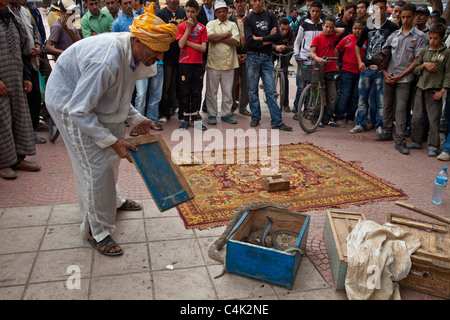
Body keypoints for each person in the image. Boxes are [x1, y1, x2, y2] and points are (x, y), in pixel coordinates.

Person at [45, 6, 176, 256]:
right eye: (155, 52)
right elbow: (79, 110)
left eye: (162, 53)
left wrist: (136, 119)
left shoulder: (130, 52)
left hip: (87, 102)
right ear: (138, 41)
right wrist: (111, 141)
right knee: (96, 164)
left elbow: (115, 96)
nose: (158, 58)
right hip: (68, 102)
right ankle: (98, 231)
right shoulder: (106, 60)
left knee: (111, 159)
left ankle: (111, 201)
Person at [375, 3, 427, 155]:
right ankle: (386, 131)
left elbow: (417, 60)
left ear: (414, 16)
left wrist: (401, 75)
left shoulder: (419, 37)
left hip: (405, 79)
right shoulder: (394, 35)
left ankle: (400, 139)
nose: (405, 20)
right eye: (403, 17)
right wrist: (385, 73)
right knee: (387, 106)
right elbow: (383, 56)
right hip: (389, 76)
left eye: (408, 17)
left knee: (401, 110)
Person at [0, 0, 40, 180]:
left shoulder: (14, 18)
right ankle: (3, 163)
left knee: (19, 118)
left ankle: (18, 158)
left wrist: (26, 76)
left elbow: (24, 50)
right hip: (1, 79)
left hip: (16, 76)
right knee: (2, 122)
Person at [349, 0, 398, 134]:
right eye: (377, 8)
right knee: (362, 98)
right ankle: (360, 123)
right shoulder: (367, 27)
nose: (380, 11)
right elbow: (358, 45)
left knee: (381, 100)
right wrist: (360, 61)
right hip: (367, 68)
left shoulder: (392, 27)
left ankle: (380, 125)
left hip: (383, 69)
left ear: (386, 9)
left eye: (382, 8)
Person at [244, 0, 291, 131]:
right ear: (251, 2)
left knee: (271, 91)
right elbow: (249, 42)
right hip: (252, 57)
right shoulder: (248, 19)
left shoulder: (270, 16)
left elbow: (277, 36)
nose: (258, 3)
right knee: (252, 90)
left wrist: (259, 39)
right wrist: (267, 38)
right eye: (255, 0)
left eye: (260, 0)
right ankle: (255, 116)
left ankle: (277, 121)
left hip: (267, 58)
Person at [409, 23, 450, 157]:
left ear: (442, 38)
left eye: (435, 38)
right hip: (421, 87)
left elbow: (448, 74)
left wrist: (442, 90)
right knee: (417, 117)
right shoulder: (424, 51)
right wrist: (424, 65)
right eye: (431, 38)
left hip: (435, 90)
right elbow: (416, 69)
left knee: (434, 120)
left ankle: (433, 145)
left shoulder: (446, 53)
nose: (432, 41)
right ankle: (416, 141)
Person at [205, 0, 239, 125]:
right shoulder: (211, 24)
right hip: (213, 63)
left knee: (228, 91)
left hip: (229, 63)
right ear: (215, 13)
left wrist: (218, 38)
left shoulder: (233, 25)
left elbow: (236, 41)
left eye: (224, 11)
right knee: (211, 91)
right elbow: (209, 38)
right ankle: (212, 114)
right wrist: (226, 35)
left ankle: (226, 114)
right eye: (219, 12)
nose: (222, 14)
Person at [176, 0, 208, 131]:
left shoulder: (202, 28)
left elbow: (203, 48)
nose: (190, 14)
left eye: (193, 12)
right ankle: (185, 118)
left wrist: (188, 42)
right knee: (184, 91)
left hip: (197, 63)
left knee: (196, 91)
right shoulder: (182, 26)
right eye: (188, 11)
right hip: (184, 63)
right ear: (185, 10)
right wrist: (188, 28)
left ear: (197, 12)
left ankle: (195, 119)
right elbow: (180, 45)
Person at [309, 16, 345, 127]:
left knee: (332, 96)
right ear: (322, 26)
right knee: (319, 95)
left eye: (331, 27)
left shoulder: (332, 37)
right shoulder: (318, 38)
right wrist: (317, 58)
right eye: (326, 27)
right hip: (319, 69)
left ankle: (327, 118)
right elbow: (311, 52)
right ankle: (316, 118)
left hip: (330, 69)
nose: (329, 29)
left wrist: (331, 29)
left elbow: (342, 30)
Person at [156, 0, 186, 125]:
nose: (173, 1)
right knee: (166, 86)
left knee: (182, 85)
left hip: (182, 55)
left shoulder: (183, 12)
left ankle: (182, 113)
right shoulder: (161, 14)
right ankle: (164, 113)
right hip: (167, 56)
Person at [292, 1, 323, 120]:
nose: (315, 13)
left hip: (316, 61)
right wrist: (297, 55)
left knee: (313, 86)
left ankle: (307, 110)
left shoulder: (323, 25)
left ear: (321, 12)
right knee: (301, 86)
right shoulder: (304, 25)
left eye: (317, 11)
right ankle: (297, 109)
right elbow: (297, 42)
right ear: (310, 11)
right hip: (304, 60)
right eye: (313, 11)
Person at [334, 18, 365, 127]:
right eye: (355, 28)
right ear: (352, 29)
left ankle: (350, 116)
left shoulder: (366, 40)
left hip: (360, 73)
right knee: (344, 94)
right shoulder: (347, 39)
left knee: (355, 95)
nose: (357, 31)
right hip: (346, 71)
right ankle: (339, 116)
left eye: (360, 29)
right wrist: (336, 63)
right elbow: (337, 49)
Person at [229, 0, 251, 117]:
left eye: (242, 1)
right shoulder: (229, 18)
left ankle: (243, 107)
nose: (240, 4)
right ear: (234, 3)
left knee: (246, 83)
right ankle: (231, 107)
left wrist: (248, 53)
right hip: (233, 55)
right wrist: (235, 53)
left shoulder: (250, 18)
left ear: (246, 3)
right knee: (232, 83)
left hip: (248, 55)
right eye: (237, 2)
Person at [273, 18, 295, 113]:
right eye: (282, 29)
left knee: (285, 77)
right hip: (273, 52)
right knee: (268, 71)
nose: (285, 32)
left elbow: (294, 44)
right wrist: (276, 47)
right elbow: (269, 43)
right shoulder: (274, 31)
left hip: (285, 52)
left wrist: (285, 47)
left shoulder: (291, 31)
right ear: (279, 27)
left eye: (286, 29)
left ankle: (285, 104)